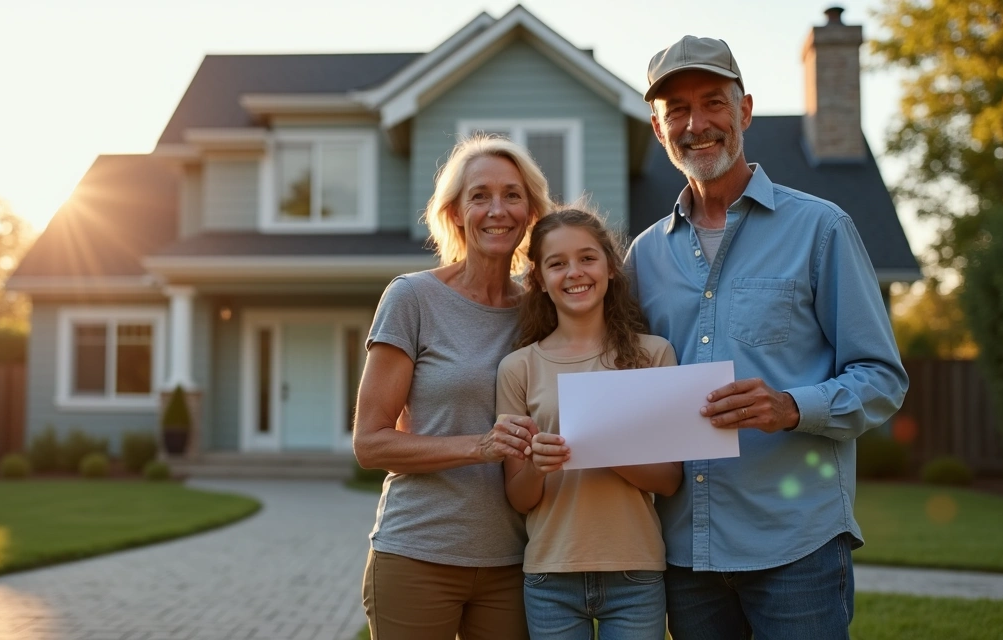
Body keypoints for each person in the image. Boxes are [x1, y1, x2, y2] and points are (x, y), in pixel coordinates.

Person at [624, 35, 909, 639]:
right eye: (677, 109)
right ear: (657, 127)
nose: (697, 124)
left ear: (745, 110)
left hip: (797, 547)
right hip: (685, 553)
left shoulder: (821, 229)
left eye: (713, 103)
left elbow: (881, 377)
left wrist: (789, 407)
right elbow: (622, 379)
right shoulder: (643, 256)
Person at [353, 134, 554, 640]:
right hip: (417, 553)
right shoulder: (412, 298)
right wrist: (480, 447)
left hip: (513, 561)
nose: (497, 210)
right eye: (479, 195)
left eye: (512, 195)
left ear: (530, 212)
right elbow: (370, 442)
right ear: (456, 212)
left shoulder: (542, 309)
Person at [498, 207, 682, 640]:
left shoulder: (654, 356)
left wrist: (606, 447)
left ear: (611, 267)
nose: (574, 273)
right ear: (539, 279)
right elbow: (519, 498)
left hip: (635, 571)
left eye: (587, 258)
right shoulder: (517, 368)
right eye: (556, 263)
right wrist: (537, 466)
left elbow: (670, 481)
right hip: (550, 574)